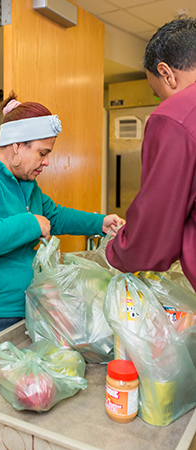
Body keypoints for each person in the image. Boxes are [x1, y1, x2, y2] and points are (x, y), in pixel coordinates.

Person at [0, 92, 125, 450]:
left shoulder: (25, 184)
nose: (46, 162)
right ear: (15, 146)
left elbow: (54, 215)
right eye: (43, 152)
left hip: (15, 317)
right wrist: (30, 224)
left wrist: (101, 222)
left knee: (1, 426)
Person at [106, 18, 196, 293]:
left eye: (157, 93)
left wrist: (116, 250)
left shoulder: (176, 114)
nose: (161, 102)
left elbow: (153, 236)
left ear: (166, 73)